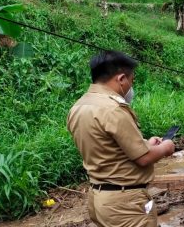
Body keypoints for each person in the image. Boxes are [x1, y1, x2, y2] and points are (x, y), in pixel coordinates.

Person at [67, 51, 175, 227]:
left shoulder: (79, 106)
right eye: (132, 81)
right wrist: (166, 147)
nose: (131, 86)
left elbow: (107, 147)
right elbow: (144, 158)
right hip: (125, 204)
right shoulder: (114, 109)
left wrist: (146, 144)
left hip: (98, 198)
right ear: (121, 79)